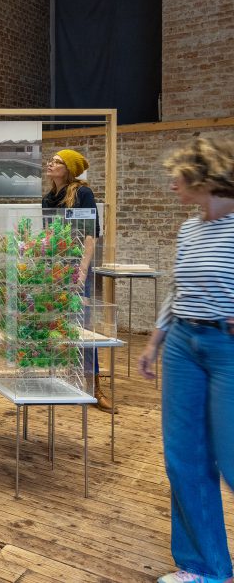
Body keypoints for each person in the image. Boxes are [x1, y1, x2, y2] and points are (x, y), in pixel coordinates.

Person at [137, 136, 234, 583]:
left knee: (230, 457)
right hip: (183, 343)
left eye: (178, 177)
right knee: (184, 457)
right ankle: (204, 569)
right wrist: (155, 343)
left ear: (204, 178)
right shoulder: (189, 230)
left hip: (226, 347)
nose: (172, 186)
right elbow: (176, 291)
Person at [42, 148, 111, 411]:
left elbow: (91, 235)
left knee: (83, 324)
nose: (51, 163)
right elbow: (49, 236)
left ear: (68, 169)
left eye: (57, 162)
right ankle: (66, 377)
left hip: (79, 265)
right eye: (51, 160)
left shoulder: (83, 193)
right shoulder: (48, 198)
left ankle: (95, 386)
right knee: (58, 321)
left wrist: (82, 272)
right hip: (55, 266)